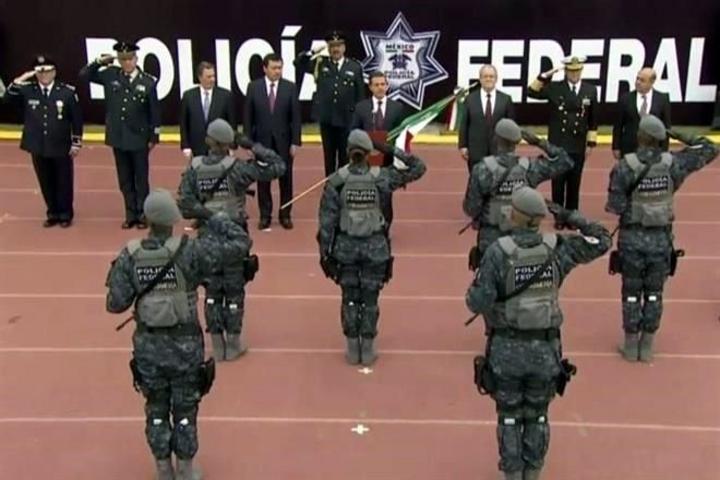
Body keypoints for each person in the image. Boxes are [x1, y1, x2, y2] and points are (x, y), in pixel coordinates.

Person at [466, 186, 611, 480]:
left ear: (516, 216)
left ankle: (512, 473)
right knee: (538, 414)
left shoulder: (498, 252)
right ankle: (533, 471)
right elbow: (602, 239)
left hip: (506, 349)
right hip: (545, 349)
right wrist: (570, 216)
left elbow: (477, 302)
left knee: (509, 417)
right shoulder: (557, 248)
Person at [105, 189, 251, 480]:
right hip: (185, 347)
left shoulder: (130, 255)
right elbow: (240, 243)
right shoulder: (190, 251)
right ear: (173, 219)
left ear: (148, 220)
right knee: (185, 411)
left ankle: (163, 468)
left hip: (148, 348)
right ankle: (185, 469)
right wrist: (211, 216)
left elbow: (115, 304)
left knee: (156, 409)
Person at [605, 115, 718, 362]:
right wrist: (677, 133)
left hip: (632, 240)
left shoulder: (625, 167)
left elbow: (615, 206)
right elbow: (710, 147)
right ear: (660, 138)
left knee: (631, 292)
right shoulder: (673, 164)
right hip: (661, 240)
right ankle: (647, 345)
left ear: (639, 136)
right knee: (655, 293)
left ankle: (630, 344)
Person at [177, 119, 285, 360]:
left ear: (208, 141)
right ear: (229, 144)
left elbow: (184, 204)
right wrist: (251, 145)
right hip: (234, 236)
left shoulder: (194, 167)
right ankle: (234, 343)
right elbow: (278, 166)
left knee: (212, 291)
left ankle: (217, 344)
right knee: (235, 291)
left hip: (206, 237)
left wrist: (206, 214)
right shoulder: (237, 168)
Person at [317, 130, 426, 366]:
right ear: (369, 153)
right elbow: (418, 167)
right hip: (375, 249)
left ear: (348, 152)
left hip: (345, 249)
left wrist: (325, 254)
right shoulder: (382, 178)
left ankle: (352, 347)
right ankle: (367, 348)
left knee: (349, 298)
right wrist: (389, 149)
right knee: (370, 298)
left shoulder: (336, 181)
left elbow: (326, 223)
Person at [463, 119, 573, 269]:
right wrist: (539, 142)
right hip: (522, 241)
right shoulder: (530, 168)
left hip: (490, 239)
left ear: (496, 139)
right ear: (516, 142)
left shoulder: (482, 169)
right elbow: (565, 161)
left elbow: (471, 209)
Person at [80, 41, 161, 229]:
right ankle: (130, 214)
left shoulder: (147, 81)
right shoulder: (110, 75)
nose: (127, 63)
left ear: (136, 59)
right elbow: (84, 75)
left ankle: (142, 215)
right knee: (124, 179)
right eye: (123, 59)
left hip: (139, 137)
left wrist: (153, 137)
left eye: (130, 59)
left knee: (141, 179)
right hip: (118, 136)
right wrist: (99, 62)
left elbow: (154, 113)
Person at [5, 55, 82, 227]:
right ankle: (52, 212)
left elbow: (76, 119)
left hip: (60, 144)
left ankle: (65, 214)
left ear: (54, 72)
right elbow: (6, 99)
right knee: (45, 181)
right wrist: (19, 81)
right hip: (37, 144)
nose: (44, 75)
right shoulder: (28, 90)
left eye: (47, 71)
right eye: (40, 72)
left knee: (63, 180)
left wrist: (76, 141)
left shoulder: (67, 92)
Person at [527, 56, 597, 227]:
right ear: (565, 71)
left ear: (581, 70)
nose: (574, 74)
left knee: (574, 182)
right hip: (558, 143)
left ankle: (572, 217)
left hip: (578, 142)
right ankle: (559, 216)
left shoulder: (590, 89)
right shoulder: (555, 88)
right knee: (558, 183)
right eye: (571, 71)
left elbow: (593, 118)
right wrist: (545, 75)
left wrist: (590, 143)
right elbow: (531, 92)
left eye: (577, 71)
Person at [244, 53, 301, 230]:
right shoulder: (253, 87)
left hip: (284, 142)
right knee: (263, 181)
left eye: (280, 68)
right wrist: (248, 143)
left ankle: (285, 215)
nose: (277, 71)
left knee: (286, 180)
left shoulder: (290, 87)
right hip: (262, 143)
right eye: (274, 68)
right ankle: (265, 215)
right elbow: (248, 117)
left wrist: (295, 142)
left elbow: (296, 117)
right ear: (265, 68)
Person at [295, 31, 365, 176]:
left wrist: (360, 121)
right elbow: (298, 63)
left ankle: (343, 185)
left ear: (344, 47)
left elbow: (360, 96)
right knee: (329, 156)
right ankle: (330, 185)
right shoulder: (320, 64)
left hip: (346, 119)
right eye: (332, 46)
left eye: (338, 46)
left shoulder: (354, 67)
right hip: (327, 119)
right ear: (328, 48)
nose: (335, 49)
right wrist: (312, 52)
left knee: (345, 156)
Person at [351, 70, 406, 229]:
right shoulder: (361, 108)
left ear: (387, 86)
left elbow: (402, 135)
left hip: (388, 163)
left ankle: (385, 229)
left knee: (385, 198)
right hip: (367, 161)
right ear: (370, 87)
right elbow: (354, 132)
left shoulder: (397, 108)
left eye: (383, 84)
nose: (380, 88)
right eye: (376, 85)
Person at [459, 64, 515, 173]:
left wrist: (510, 148)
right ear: (480, 79)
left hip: (499, 152)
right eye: (485, 76)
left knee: (498, 181)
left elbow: (511, 126)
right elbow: (464, 124)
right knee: (476, 181)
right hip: (476, 152)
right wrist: (463, 146)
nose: (488, 79)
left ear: (496, 79)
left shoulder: (506, 99)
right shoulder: (470, 99)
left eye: (491, 76)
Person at [180, 61, 237, 158]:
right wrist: (185, 146)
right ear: (200, 77)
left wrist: (232, 146)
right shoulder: (188, 96)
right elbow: (184, 123)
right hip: (196, 149)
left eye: (213, 76)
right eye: (209, 77)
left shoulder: (225, 96)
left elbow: (232, 123)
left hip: (220, 149)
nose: (212, 79)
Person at [612, 67, 671, 158]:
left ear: (651, 82)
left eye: (642, 80)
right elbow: (618, 125)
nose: (638, 82)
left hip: (654, 149)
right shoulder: (625, 99)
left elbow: (666, 127)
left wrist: (664, 150)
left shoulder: (662, 99)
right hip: (629, 149)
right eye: (637, 78)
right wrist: (616, 147)